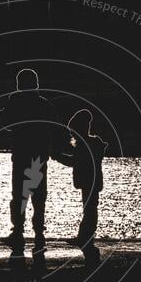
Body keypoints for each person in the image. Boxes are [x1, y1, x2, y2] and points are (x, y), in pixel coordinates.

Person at [0, 69, 62, 264]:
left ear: (20, 84)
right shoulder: (44, 103)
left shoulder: (14, 103)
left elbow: (6, 123)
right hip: (39, 156)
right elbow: (55, 125)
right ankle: (39, 235)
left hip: (21, 154)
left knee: (19, 195)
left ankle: (18, 232)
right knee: (38, 196)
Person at [55, 109, 108, 266]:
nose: (72, 135)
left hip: (88, 182)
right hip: (92, 182)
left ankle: (85, 238)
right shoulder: (93, 143)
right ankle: (85, 237)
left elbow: (74, 162)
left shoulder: (85, 145)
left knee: (90, 210)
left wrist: (58, 157)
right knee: (90, 210)